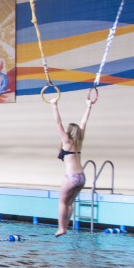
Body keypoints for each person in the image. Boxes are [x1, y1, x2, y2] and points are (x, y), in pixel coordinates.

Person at [54, 97, 94, 237]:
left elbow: (58, 122)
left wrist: (54, 105)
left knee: (62, 202)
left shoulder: (66, 141)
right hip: (81, 177)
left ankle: (61, 227)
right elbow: (84, 122)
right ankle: (66, 226)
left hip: (71, 177)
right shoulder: (79, 141)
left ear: (69, 131)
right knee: (69, 203)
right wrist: (88, 106)